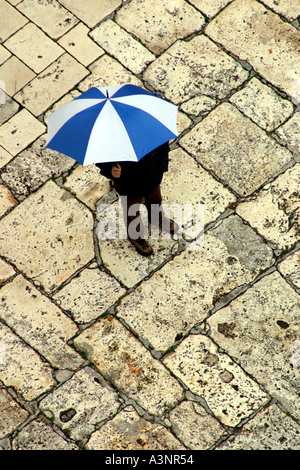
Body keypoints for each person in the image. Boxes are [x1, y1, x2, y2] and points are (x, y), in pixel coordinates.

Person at [96, 142, 178, 256]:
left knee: (155, 200)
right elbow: (101, 160)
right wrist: (110, 171)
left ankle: (156, 218)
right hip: (129, 186)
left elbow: (163, 146)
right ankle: (136, 237)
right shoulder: (110, 140)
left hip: (152, 178)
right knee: (132, 213)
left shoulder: (149, 128)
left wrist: (161, 168)